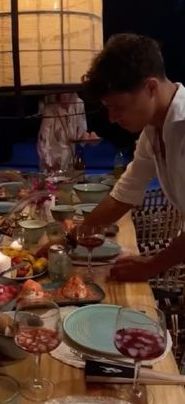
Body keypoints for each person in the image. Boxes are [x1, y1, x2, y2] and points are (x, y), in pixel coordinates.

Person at [78, 32, 185, 282]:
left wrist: (152, 266)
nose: (112, 118)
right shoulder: (153, 128)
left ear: (150, 87)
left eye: (118, 107)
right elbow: (125, 192)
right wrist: (71, 238)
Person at [37, 93, 94, 172]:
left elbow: (81, 133)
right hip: (52, 163)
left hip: (70, 161)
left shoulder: (78, 104)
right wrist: (49, 162)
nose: (64, 96)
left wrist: (90, 139)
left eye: (67, 92)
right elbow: (43, 139)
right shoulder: (50, 108)